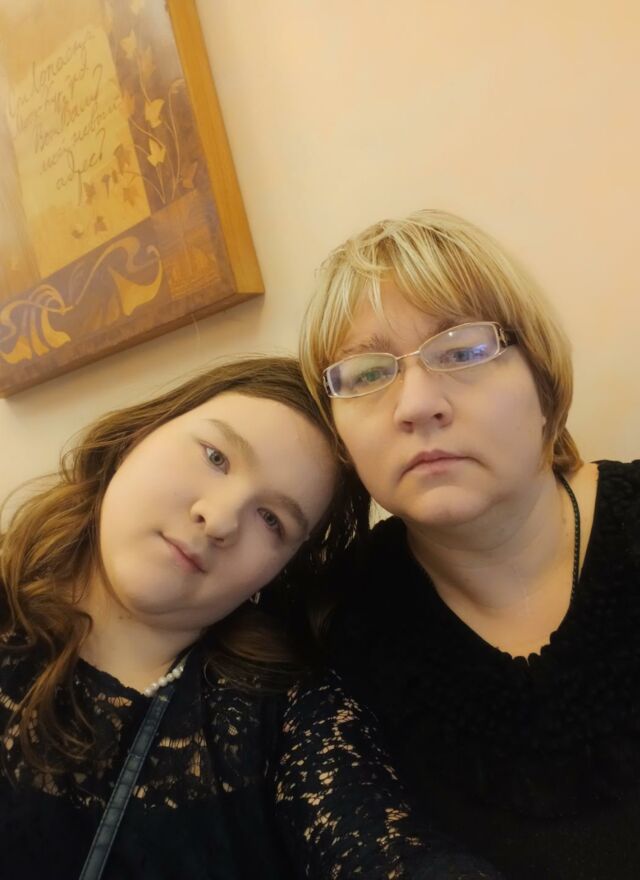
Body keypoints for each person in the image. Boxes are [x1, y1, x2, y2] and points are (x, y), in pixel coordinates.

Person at [0, 355, 502, 880]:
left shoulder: (282, 715)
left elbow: (385, 847)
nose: (219, 520)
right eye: (216, 457)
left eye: (272, 520)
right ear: (141, 434)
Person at [299, 209, 640, 880]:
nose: (416, 405)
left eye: (462, 350)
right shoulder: (329, 625)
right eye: (366, 374)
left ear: (543, 382)